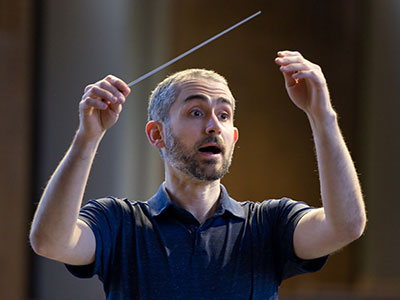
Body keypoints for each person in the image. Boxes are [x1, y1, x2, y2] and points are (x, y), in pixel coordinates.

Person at [30, 50, 366, 299]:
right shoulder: (118, 223)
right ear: (156, 135)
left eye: (224, 114)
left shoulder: (268, 224)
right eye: (196, 111)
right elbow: (50, 241)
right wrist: (87, 138)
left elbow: (346, 225)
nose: (213, 126)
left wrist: (322, 115)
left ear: (233, 138)